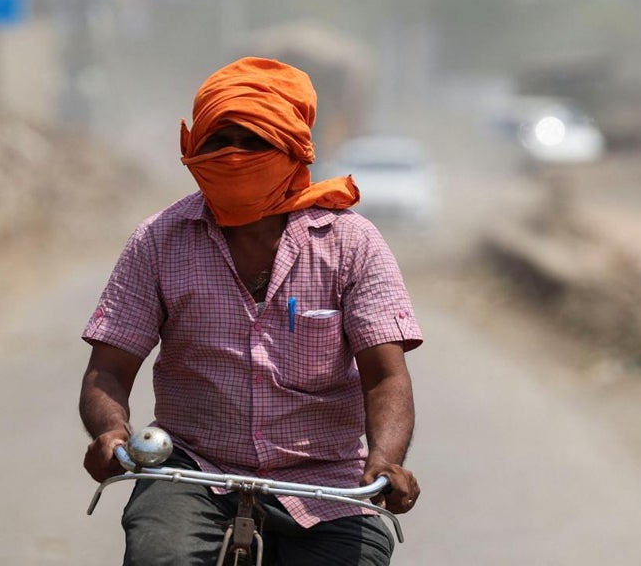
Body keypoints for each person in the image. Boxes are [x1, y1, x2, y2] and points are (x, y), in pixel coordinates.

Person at [79, 56, 422, 565]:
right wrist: (110, 432)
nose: (234, 156)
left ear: (292, 149)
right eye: (219, 142)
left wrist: (386, 461)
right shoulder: (158, 240)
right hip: (192, 470)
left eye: (253, 142)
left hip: (326, 483)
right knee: (158, 556)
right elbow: (108, 368)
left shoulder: (352, 243)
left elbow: (385, 378)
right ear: (194, 150)